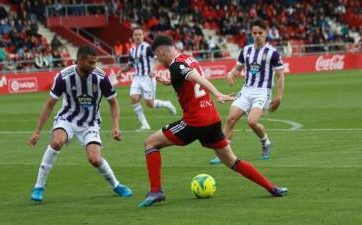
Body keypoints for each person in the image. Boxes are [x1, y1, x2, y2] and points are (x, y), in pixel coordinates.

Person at [137, 35, 287, 208]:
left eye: (157, 56)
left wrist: (218, 94)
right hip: (212, 119)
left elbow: (195, 78)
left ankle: (156, 191)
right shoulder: (189, 58)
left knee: (150, 143)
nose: (158, 60)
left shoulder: (176, 65)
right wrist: (171, 82)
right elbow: (189, 79)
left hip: (194, 121)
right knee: (232, 160)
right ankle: (272, 188)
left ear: (161, 52)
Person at [29, 45, 132, 202]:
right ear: (80, 61)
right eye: (91, 63)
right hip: (67, 119)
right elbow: (50, 104)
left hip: (90, 123)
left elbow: (113, 103)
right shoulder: (64, 77)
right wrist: (37, 131)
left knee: (95, 159)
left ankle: (116, 185)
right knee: (57, 142)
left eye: (95, 62)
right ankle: (38, 186)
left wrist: (116, 127)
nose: (94, 66)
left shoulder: (101, 78)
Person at [210, 18, 285, 164]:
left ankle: (266, 142)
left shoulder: (273, 53)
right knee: (231, 119)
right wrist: (230, 74)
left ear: (266, 33)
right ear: (251, 33)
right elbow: (237, 69)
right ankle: (223, 154)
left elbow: (281, 75)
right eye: (254, 32)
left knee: (251, 121)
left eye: (260, 33)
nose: (257, 35)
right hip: (246, 90)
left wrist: (278, 97)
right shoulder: (246, 50)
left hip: (262, 91)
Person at [116, 27, 176, 130]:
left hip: (148, 78)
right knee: (134, 99)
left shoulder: (148, 48)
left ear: (143, 36)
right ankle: (145, 125)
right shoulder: (132, 50)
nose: (137, 36)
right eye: (135, 34)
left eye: (139, 34)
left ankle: (167, 104)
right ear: (133, 37)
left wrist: (154, 69)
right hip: (137, 78)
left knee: (149, 103)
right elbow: (131, 65)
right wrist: (121, 71)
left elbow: (158, 58)